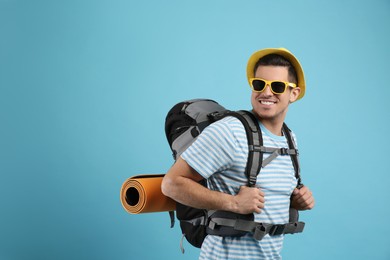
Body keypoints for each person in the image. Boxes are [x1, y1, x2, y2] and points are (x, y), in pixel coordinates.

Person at [161, 48, 315, 259]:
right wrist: (233, 203)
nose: (266, 93)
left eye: (277, 86)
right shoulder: (229, 132)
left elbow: (265, 199)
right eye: (259, 84)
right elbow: (171, 184)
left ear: (294, 93)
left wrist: (294, 200)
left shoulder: (289, 139)